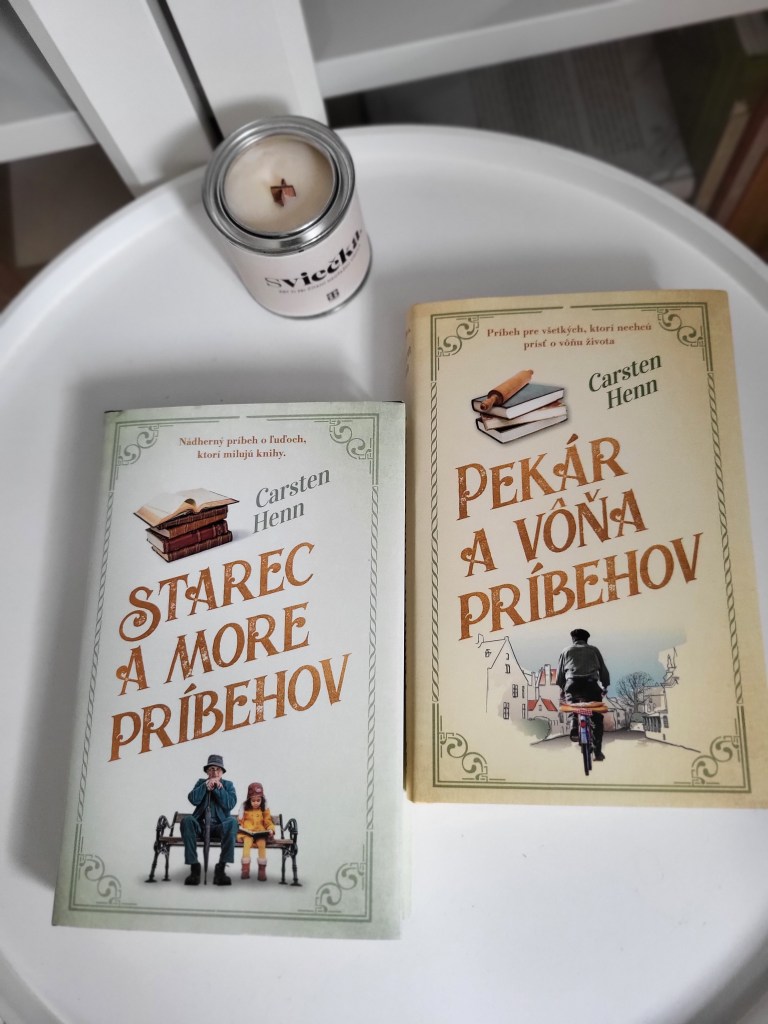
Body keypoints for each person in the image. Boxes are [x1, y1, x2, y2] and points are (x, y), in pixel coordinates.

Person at [181, 754, 238, 886]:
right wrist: (205, 786)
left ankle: (221, 869)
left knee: (232, 822)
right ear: (207, 771)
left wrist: (218, 789)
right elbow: (193, 799)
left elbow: (230, 804)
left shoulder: (228, 785)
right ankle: (194, 868)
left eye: (218, 769)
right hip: (201, 826)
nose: (215, 772)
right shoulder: (200, 783)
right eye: (212, 769)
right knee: (187, 820)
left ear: (222, 772)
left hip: (219, 826)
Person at [556, 628, 610, 761]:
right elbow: (603, 670)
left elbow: (559, 675)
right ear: (586, 639)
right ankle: (597, 752)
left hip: (572, 684)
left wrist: (563, 688)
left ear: (573, 639)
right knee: (597, 719)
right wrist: (605, 685)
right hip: (591, 685)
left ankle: (574, 724)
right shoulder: (594, 650)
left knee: (572, 705)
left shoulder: (566, 651)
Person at [238, 782, 275, 881]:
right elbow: (239, 822)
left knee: (262, 844)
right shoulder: (245, 810)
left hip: (260, 833)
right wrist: (240, 831)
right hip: (247, 834)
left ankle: (262, 870)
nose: (256, 803)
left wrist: (270, 829)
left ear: (262, 800)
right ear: (249, 800)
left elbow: (268, 821)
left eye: (258, 800)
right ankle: (245, 869)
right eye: (253, 800)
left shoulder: (263, 810)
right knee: (247, 844)